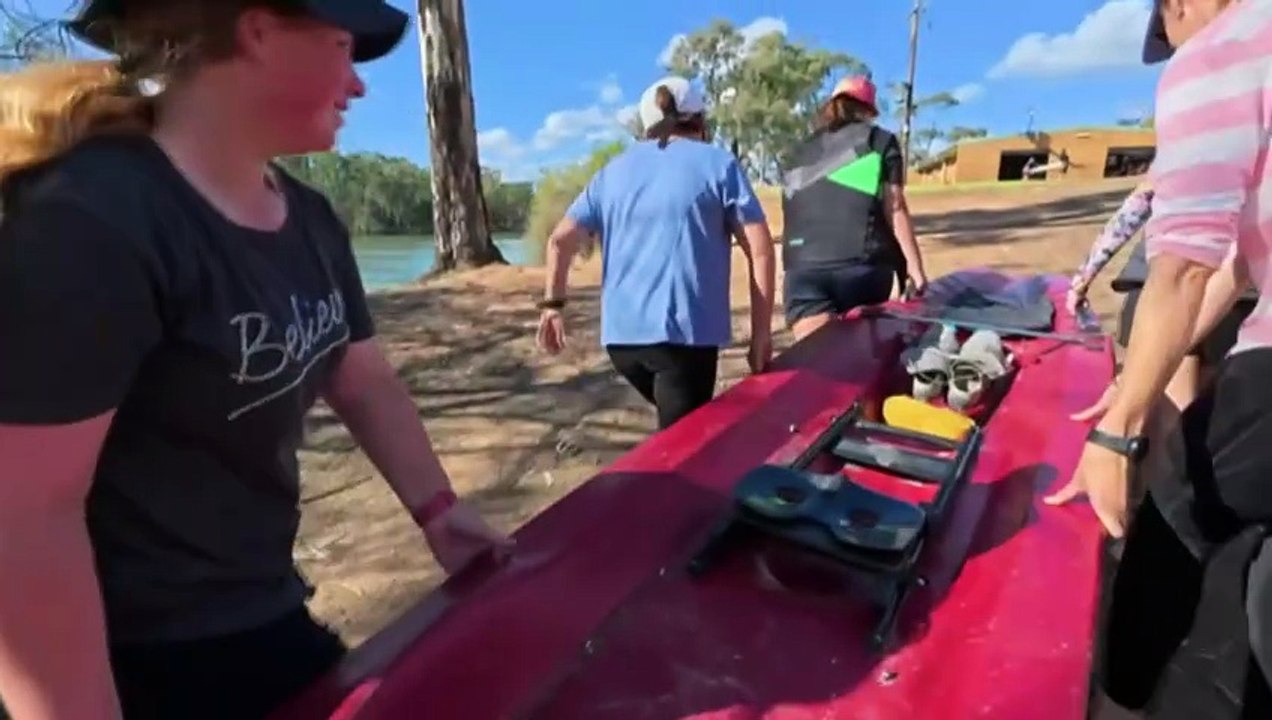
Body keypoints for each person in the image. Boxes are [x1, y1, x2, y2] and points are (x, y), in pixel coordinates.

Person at [0, 1, 514, 718]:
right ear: (259, 29)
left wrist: (438, 510)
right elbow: (24, 513)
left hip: (254, 609)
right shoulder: (91, 219)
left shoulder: (311, 220)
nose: (359, 84)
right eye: (345, 46)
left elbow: (362, 378)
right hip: (125, 655)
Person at [1052, 0, 1272, 717]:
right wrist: (1130, 386)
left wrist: (1117, 431)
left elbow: (1182, 270)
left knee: (1173, 519)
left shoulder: (1224, 50)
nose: (1173, 46)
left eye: (1167, 31)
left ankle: (1122, 698)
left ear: (1179, 5)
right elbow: (1236, 267)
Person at [536, 76, 776, 431]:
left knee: (679, 426)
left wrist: (553, 306)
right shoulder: (718, 164)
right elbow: (760, 247)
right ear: (700, 120)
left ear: (647, 126)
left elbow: (559, 241)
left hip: (621, 341)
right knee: (685, 443)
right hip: (683, 340)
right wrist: (761, 334)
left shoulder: (611, 172)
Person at [1066, 180, 1256, 421]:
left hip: (1191, 296)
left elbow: (1143, 194)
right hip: (1202, 298)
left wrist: (1085, 274)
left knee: (1172, 423)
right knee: (1183, 424)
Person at [778, 74, 928, 342]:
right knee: (859, 357)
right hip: (861, 267)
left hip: (803, 270)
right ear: (867, 111)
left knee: (818, 360)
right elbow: (895, 207)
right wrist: (915, 271)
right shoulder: (878, 140)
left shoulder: (796, 153)